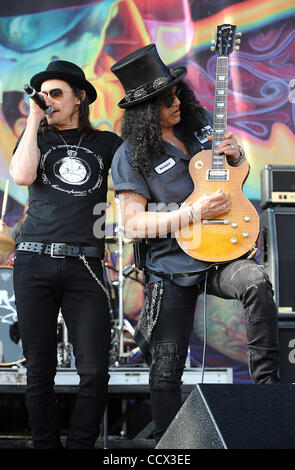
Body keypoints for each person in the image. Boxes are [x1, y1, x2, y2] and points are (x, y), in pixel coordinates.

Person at [110, 44, 280, 443]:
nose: (176, 102)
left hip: (223, 254)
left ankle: (270, 392)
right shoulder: (131, 154)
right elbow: (133, 223)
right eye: (165, 100)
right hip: (171, 265)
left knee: (255, 281)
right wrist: (191, 213)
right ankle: (168, 439)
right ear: (145, 110)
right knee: (167, 364)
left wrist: (238, 158)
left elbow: (233, 177)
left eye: (176, 93)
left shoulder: (200, 126)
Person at [9, 60, 122, 449]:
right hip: (33, 259)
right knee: (40, 370)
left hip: (85, 263)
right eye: (43, 95)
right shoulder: (35, 139)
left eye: (57, 94)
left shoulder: (107, 144)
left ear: (81, 99)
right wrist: (33, 121)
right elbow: (22, 177)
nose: (49, 100)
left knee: (94, 371)